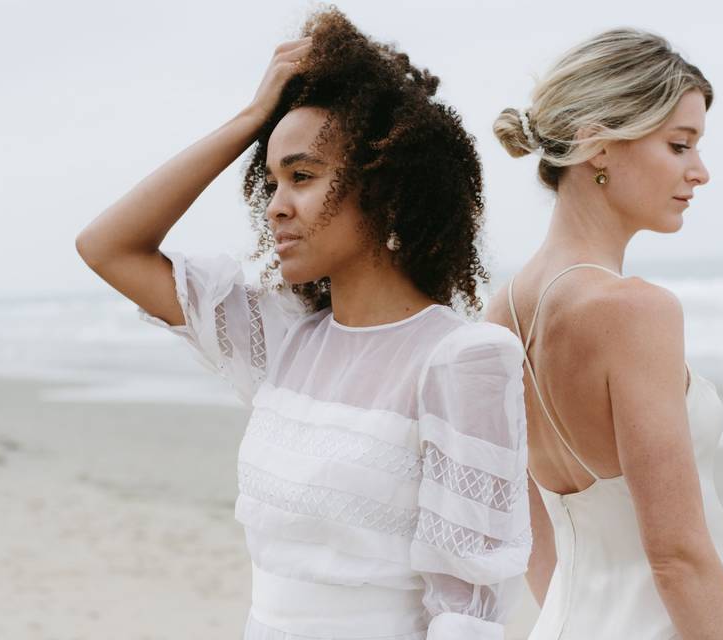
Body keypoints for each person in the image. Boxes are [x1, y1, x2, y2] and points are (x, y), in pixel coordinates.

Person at [76, 9, 530, 640]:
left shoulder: (463, 358)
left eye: (303, 176)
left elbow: (466, 610)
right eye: (270, 181)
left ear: (386, 188)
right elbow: (108, 247)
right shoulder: (285, 335)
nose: (276, 207)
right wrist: (249, 120)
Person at [488, 29, 723, 639]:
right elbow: (678, 558)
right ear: (597, 145)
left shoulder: (501, 312)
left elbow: (530, 539)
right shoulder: (634, 311)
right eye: (679, 145)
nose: (700, 172)